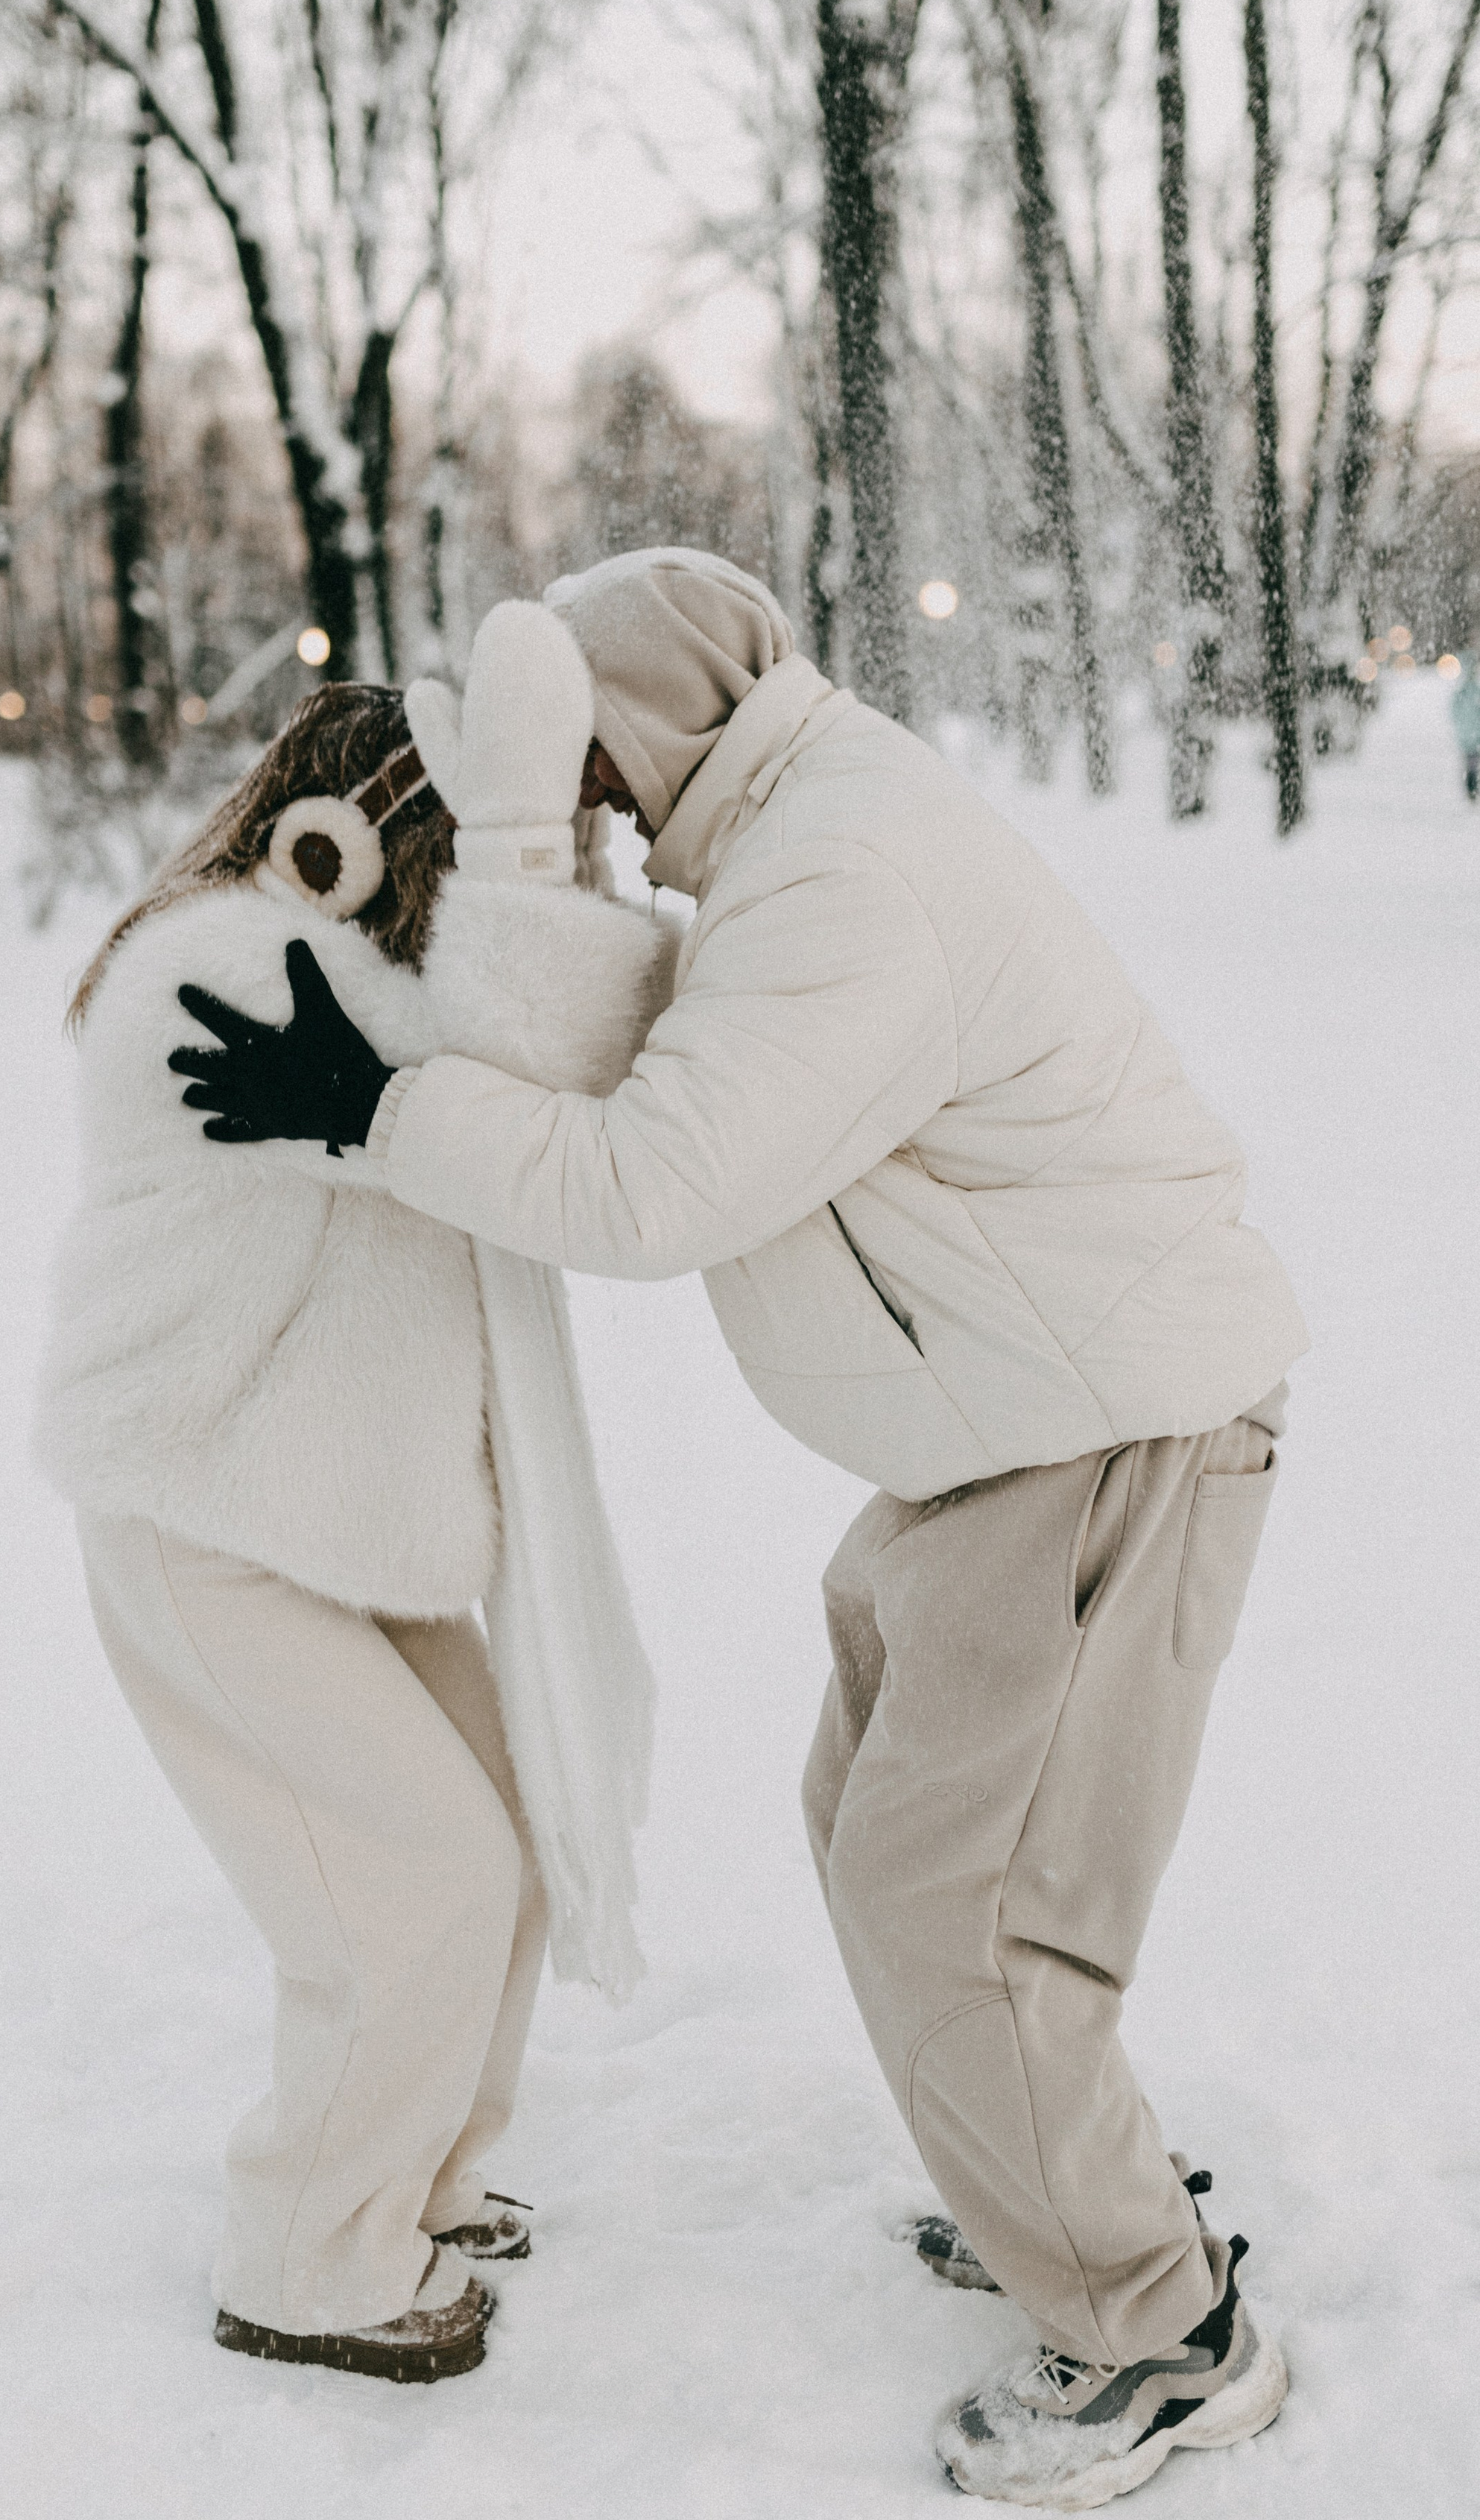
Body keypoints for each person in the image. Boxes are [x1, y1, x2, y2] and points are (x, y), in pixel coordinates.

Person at [170, 550, 1309, 2507]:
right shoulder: (796, 838)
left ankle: (1155, 2324)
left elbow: (651, 1183)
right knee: (884, 1832)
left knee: (961, 1898)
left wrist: (376, 1107)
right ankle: (1050, 2179)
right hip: (1012, 1434)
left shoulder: (837, 881)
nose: (587, 814)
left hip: (1103, 1433)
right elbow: (649, 1057)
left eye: (583, 766)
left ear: (649, 727)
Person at [36, 604, 668, 2385]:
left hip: (346, 1525)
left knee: (507, 1845)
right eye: (452, 845)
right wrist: (536, 864)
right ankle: (310, 2255)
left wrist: (539, 868)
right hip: (205, 1515)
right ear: (350, 838)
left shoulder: (372, 994)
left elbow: (524, 1073)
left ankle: (421, 2178)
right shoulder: (222, 970)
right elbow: (533, 1059)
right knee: (415, 1887)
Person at [1450, 654, 1480, 801]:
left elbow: (1454, 712)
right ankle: (1473, 788)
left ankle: (1472, 788)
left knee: (1471, 763)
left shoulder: (1461, 692)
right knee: (1473, 763)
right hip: (1474, 734)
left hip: (1468, 735)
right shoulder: (1473, 691)